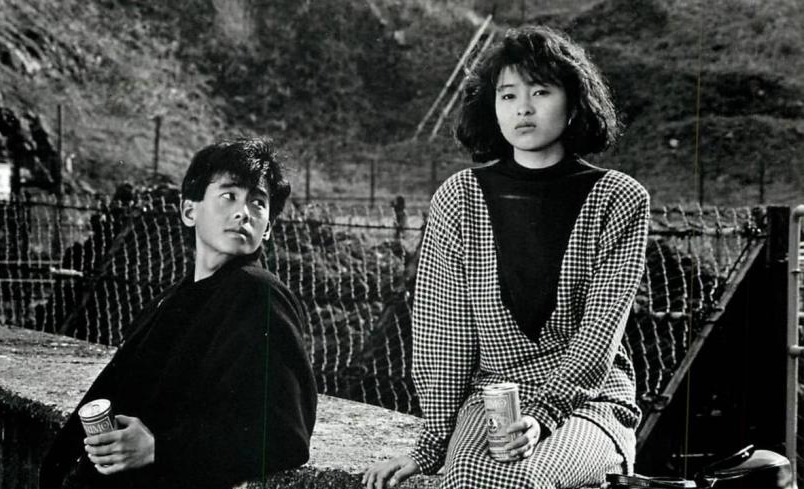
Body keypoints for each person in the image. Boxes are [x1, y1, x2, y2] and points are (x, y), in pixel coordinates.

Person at [364, 25, 649, 489]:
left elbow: (601, 332)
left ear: (574, 101)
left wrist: (544, 414)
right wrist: (431, 444)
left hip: (588, 404)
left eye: (541, 92)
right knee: (469, 474)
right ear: (492, 105)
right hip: (491, 397)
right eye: (508, 95)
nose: (524, 108)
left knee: (519, 479)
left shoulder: (619, 197)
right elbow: (444, 333)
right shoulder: (459, 197)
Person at [40, 138, 318, 489]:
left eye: (258, 203)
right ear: (189, 211)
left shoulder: (259, 295)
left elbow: (285, 435)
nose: (244, 213)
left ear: (268, 228)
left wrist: (160, 448)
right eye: (229, 195)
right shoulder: (174, 297)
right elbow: (113, 387)